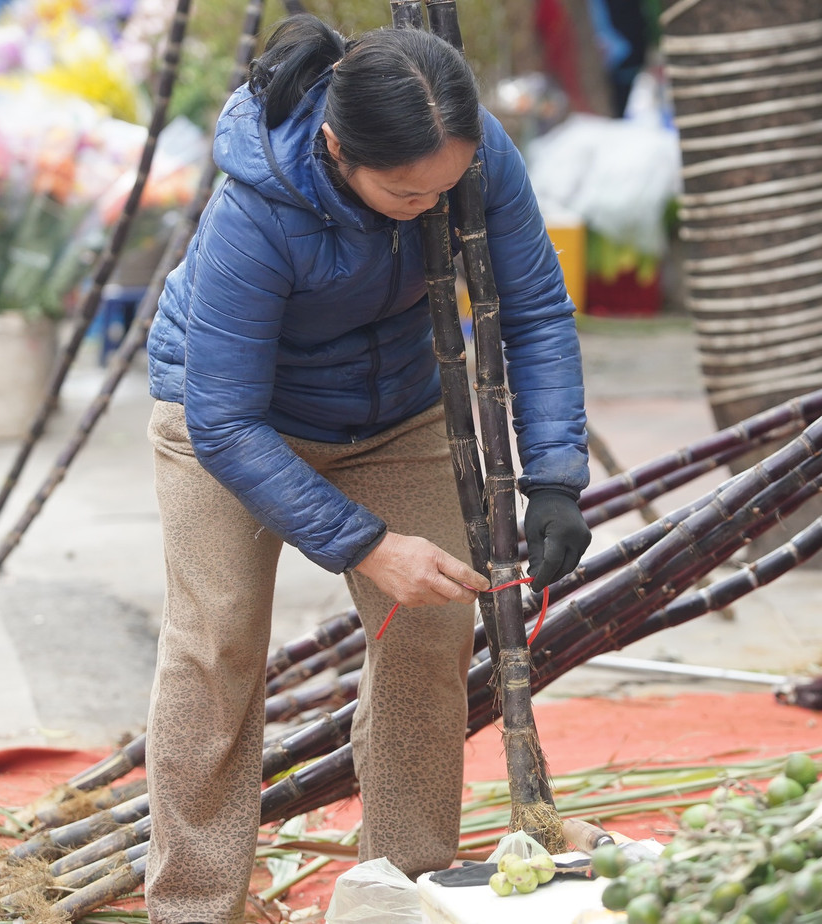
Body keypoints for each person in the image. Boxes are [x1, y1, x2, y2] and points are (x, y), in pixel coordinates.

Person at [143, 14, 591, 924]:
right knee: (217, 644)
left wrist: (554, 477)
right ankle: (194, 905)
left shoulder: (472, 154)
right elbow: (224, 421)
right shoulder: (256, 210)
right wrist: (369, 544)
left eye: (445, 187)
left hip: (397, 409)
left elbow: (536, 309)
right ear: (339, 148)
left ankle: (400, 888)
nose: (429, 206)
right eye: (403, 192)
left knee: (432, 626)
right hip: (230, 421)